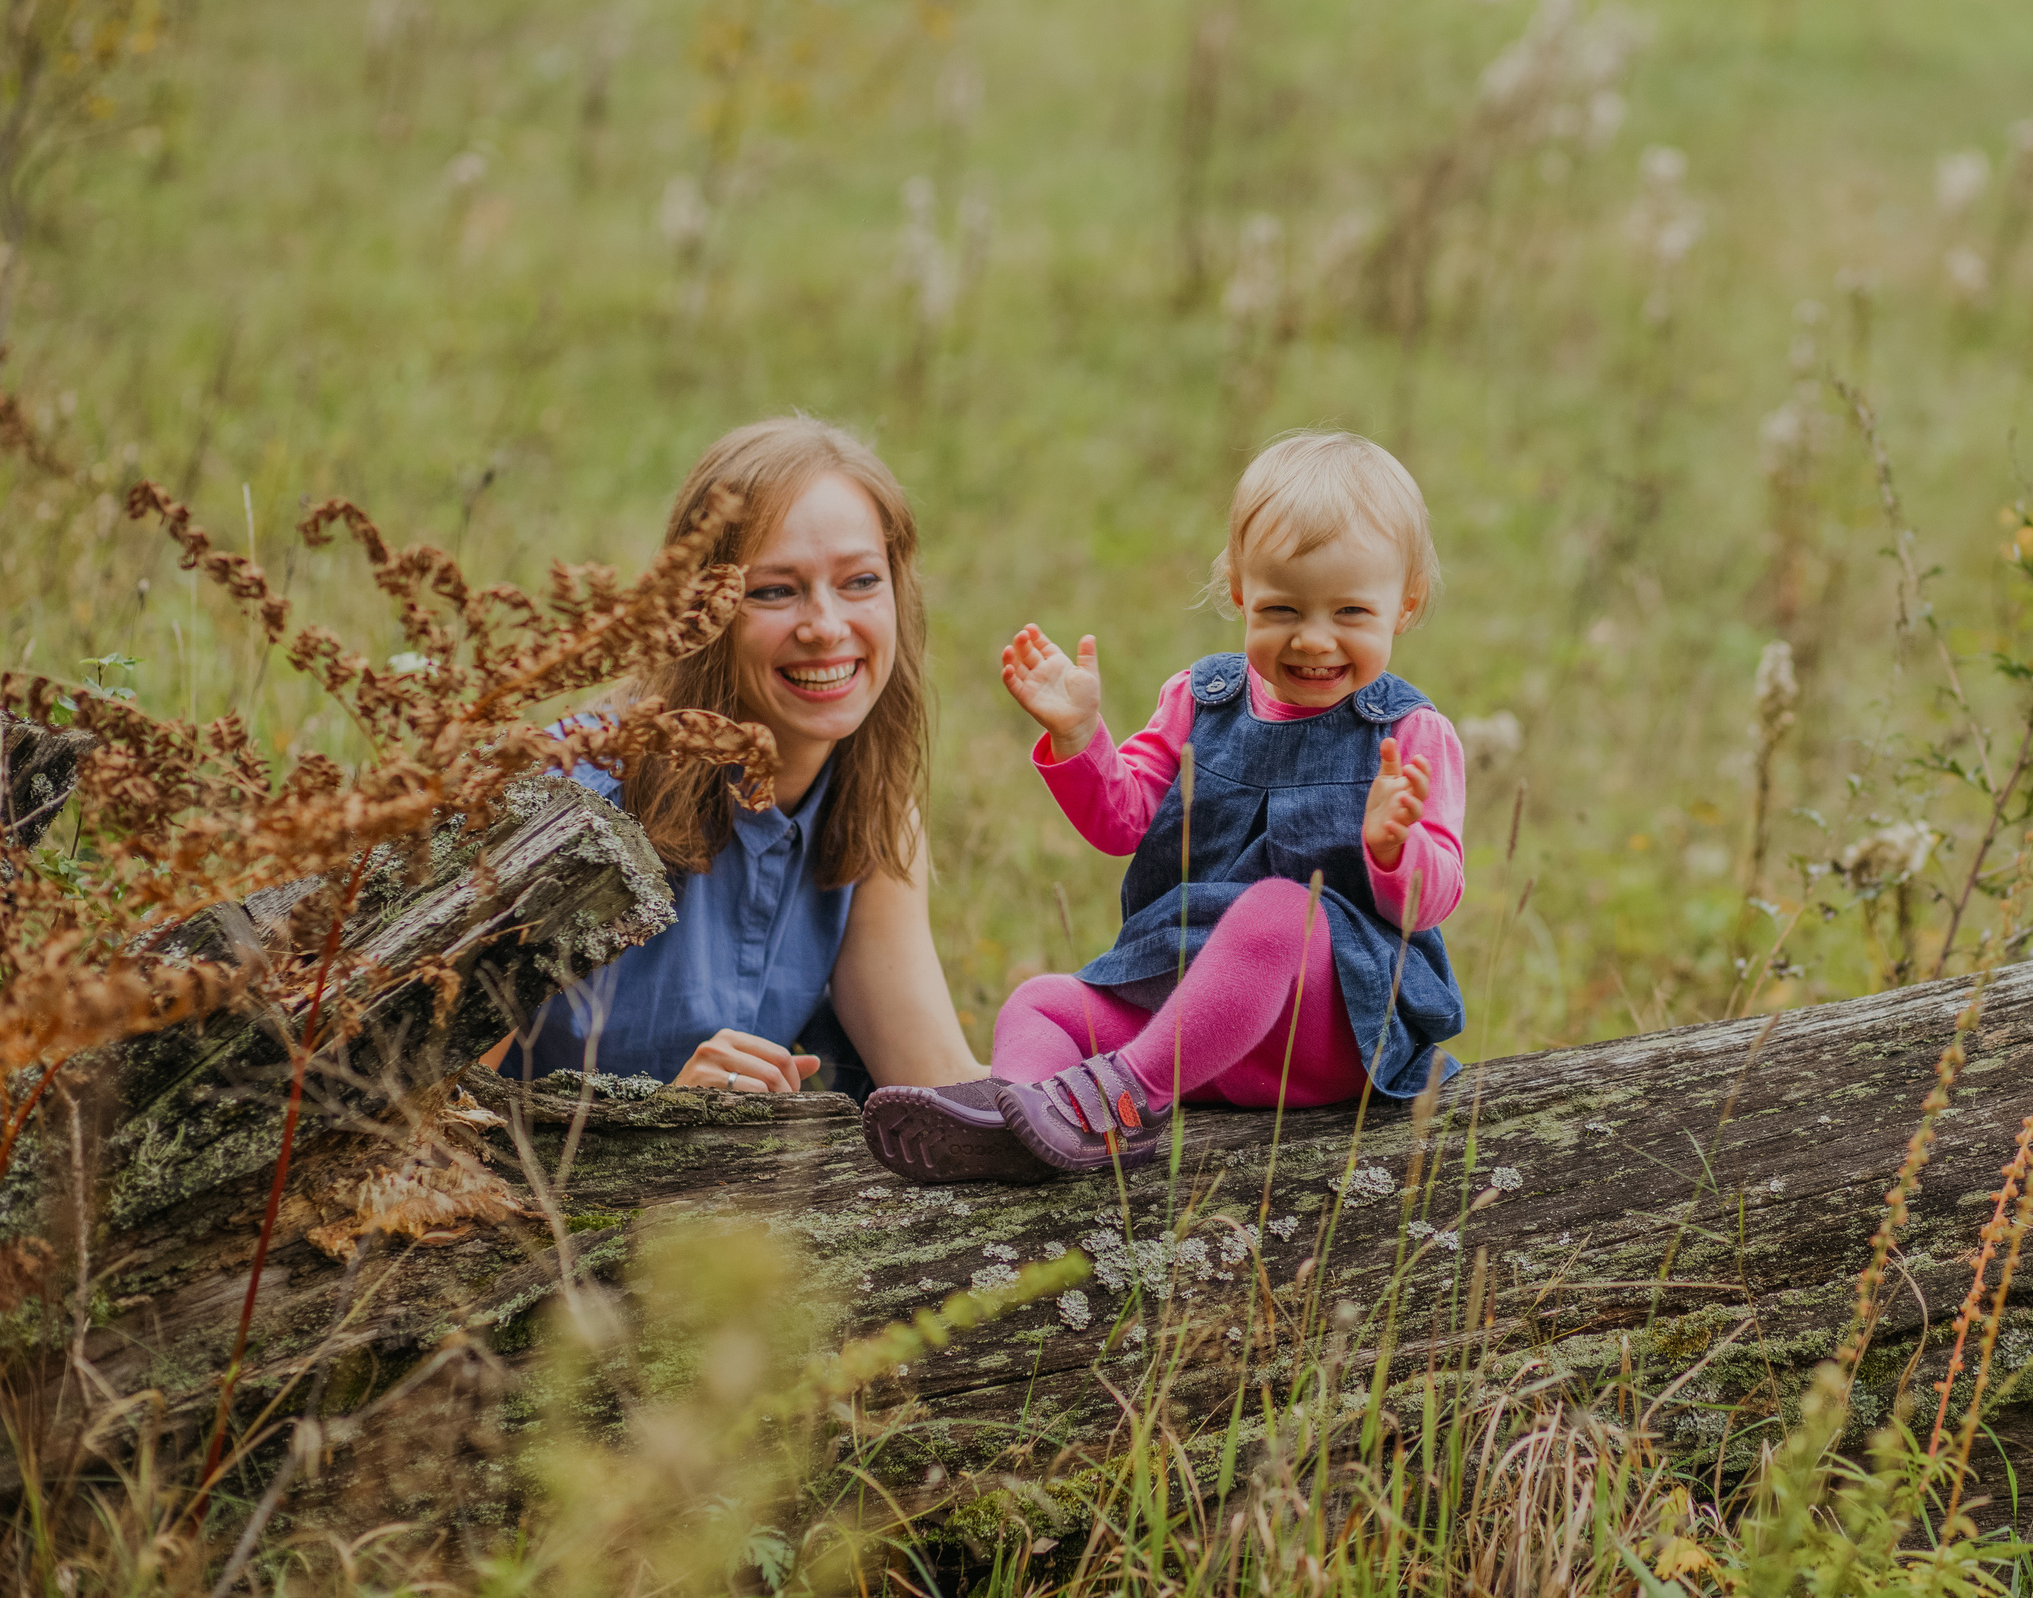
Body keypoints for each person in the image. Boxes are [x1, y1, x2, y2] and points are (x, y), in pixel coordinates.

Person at [863, 430, 1465, 1181]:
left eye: (1350, 612)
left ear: (1403, 605)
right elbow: (1123, 824)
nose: (1314, 639)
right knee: (1041, 1002)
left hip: (1334, 1031)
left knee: (1282, 909)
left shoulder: (1408, 733)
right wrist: (1083, 737)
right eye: (1282, 609)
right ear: (1240, 589)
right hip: (1192, 1032)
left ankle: (1118, 1099)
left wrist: (1392, 849)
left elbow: (1433, 899)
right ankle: (1028, 1123)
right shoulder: (1199, 700)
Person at [490, 416, 986, 1097]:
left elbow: (937, 1083)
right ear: (701, 613)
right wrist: (661, 1118)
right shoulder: (576, 799)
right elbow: (421, 1128)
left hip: (726, 1204)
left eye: (860, 580)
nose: (826, 626)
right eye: (774, 590)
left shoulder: (868, 806)